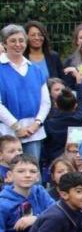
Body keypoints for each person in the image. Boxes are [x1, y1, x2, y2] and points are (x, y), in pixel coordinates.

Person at [0, 24, 51, 160]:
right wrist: (17, 127)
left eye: (21, 40)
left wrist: (36, 124)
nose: (18, 44)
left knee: (32, 173)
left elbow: (46, 102)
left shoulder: (36, 70)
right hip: (6, 131)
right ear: (4, 44)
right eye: (13, 41)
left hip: (33, 131)